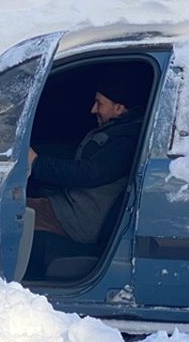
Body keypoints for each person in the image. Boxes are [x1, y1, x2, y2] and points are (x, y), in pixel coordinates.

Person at [26, 86, 144, 248]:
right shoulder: (116, 130)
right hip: (71, 206)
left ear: (118, 108)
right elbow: (73, 153)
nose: (93, 110)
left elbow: (88, 173)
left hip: (79, 219)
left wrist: (36, 163)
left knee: (11, 213)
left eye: (99, 104)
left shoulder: (126, 140)